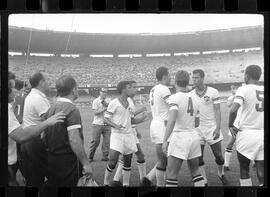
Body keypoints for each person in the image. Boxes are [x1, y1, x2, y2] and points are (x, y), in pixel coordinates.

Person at [8, 79, 65, 186]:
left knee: (32, 176)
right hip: (30, 139)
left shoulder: (27, 97)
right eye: (11, 87)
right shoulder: (35, 98)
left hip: (23, 137)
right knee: (55, 176)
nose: (14, 91)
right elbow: (20, 136)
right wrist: (47, 123)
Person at [43, 75, 93, 186]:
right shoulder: (72, 109)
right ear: (74, 89)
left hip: (52, 159)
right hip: (68, 162)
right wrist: (86, 163)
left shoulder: (51, 108)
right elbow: (74, 139)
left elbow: (43, 137)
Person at [162, 70, 204, 187]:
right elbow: (197, 122)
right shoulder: (195, 98)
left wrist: (165, 140)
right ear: (187, 82)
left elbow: (172, 120)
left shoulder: (174, 98)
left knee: (171, 174)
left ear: (175, 82)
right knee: (195, 172)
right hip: (193, 136)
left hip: (180, 136)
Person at [103, 81, 146, 186]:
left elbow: (131, 120)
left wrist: (143, 118)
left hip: (129, 135)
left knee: (127, 161)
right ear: (123, 90)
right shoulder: (114, 103)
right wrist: (115, 125)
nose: (133, 89)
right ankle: (106, 183)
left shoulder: (130, 102)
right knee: (113, 161)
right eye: (129, 87)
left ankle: (125, 185)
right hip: (117, 135)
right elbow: (105, 119)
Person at [190, 69, 227, 186]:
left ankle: (220, 173)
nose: (194, 80)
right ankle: (204, 180)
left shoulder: (213, 92)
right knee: (199, 158)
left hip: (211, 128)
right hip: (198, 130)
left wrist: (217, 128)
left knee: (219, 157)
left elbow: (217, 110)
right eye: (193, 77)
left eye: (196, 77)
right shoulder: (190, 94)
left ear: (202, 78)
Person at [228, 65, 264, 186]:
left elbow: (233, 109)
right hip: (262, 133)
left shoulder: (244, 89)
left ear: (247, 76)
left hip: (247, 134)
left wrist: (230, 125)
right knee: (262, 170)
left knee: (244, 169)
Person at [21, 71, 52, 187]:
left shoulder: (33, 96)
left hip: (28, 141)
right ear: (42, 83)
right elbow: (49, 121)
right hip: (35, 142)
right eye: (48, 80)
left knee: (34, 179)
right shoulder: (38, 98)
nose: (50, 83)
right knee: (56, 175)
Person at [145, 67, 171, 187]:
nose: (171, 78)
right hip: (162, 125)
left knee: (164, 158)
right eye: (169, 75)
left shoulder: (153, 88)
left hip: (155, 123)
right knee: (164, 160)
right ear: (165, 76)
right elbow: (173, 106)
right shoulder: (164, 89)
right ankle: (160, 185)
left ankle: (148, 179)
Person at [89, 87, 111, 162]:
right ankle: (90, 157)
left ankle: (105, 157)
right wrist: (104, 108)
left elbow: (112, 111)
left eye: (106, 92)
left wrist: (108, 106)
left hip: (107, 124)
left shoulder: (109, 100)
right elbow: (95, 113)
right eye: (103, 91)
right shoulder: (95, 101)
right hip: (97, 124)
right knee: (95, 141)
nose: (105, 93)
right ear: (100, 92)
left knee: (107, 142)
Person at [224, 85, 240, 171]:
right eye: (232, 88)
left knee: (247, 143)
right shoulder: (232, 97)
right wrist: (234, 96)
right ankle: (226, 165)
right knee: (230, 143)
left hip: (244, 123)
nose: (233, 90)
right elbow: (228, 105)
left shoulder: (243, 96)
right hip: (235, 124)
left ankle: (254, 163)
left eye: (234, 88)